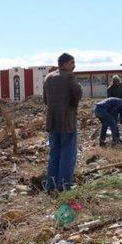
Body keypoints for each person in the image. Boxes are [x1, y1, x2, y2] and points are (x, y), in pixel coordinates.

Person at [43, 53, 83, 192]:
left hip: (52, 122)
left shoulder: (48, 78)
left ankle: (51, 185)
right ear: (65, 64)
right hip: (67, 121)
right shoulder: (69, 76)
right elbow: (77, 93)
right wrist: (71, 106)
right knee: (68, 153)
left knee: (54, 153)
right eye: (72, 63)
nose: (74, 65)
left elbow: (45, 100)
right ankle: (65, 185)